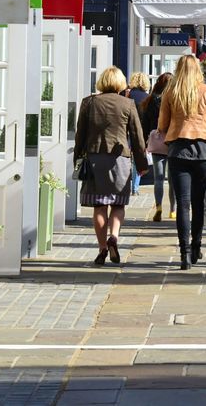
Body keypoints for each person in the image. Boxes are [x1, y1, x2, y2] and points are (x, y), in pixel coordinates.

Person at [74, 65, 148, 267]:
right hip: (120, 160)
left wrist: (77, 159)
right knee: (118, 204)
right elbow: (137, 137)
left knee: (99, 206)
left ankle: (102, 248)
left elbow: (80, 133)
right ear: (121, 84)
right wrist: (142, 164)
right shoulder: (128, 104)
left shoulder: (89, 103)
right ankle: (114, 236)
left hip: (95, 159)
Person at [158, 55, 206, 269]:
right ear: (198, 69)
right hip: (204, 151)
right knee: (198, 203)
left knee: (183, 203)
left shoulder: (171, 91)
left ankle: (184, 254)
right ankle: (196, 246)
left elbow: (162, 124)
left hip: (178, 150)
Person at [139, 72, 175, 221]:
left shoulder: (150, 100)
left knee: (158, 178)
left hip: (157, 141)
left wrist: (145, 142)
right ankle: (173, 210)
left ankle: (159, 206)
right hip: (172, 142)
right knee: (173, 179)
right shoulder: (173, 100)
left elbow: (145, 124)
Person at [126, 72, 151, 193]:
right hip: (140, 131)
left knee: (125, 158)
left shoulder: (128, 95)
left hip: (126, 130)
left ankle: (125, 183)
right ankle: (135, 187)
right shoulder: (147, 97)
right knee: (138, 159)